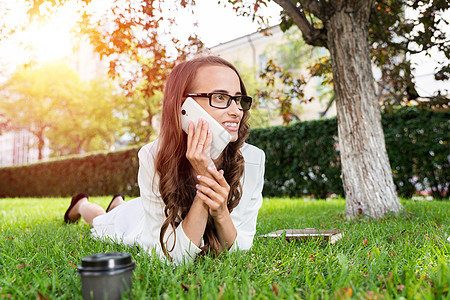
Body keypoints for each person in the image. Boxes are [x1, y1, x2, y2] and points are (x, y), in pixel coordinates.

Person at [63, 56, 265, 264]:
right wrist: (205, 183)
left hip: (147, 208)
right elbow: (170, 257)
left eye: (239, 99)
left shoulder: (253, 159)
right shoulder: (152, 155)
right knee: (103, 224)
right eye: (220, 98)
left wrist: (221, 212)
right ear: (183, 105)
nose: (236, 111)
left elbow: (240, 249)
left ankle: (118, 204)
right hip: (142, 221)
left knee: (121, 212)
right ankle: (81, 204)